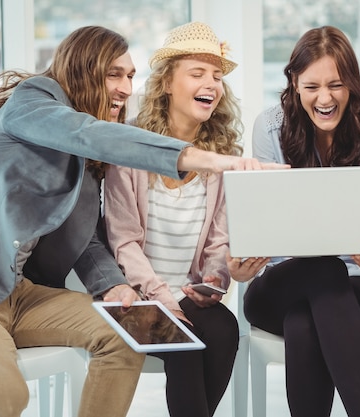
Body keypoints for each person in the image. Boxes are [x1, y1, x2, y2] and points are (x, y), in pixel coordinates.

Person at [0, 25, 266, 417]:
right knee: (3, 401)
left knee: (127, 335)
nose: (127, 88)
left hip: (22, 295)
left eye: (130, 76)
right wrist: (212, 160)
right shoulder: (33, 103)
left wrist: (113, 285)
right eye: (115, 74)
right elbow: (86, 133)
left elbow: (89, 238)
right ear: (82, 69)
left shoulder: (87, 158)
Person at [236, 26, 360, 417]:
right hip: (278, 285)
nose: (325, 99)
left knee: (304, 322)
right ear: (293, 82)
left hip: (354, 289)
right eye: (311, 87)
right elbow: (264, 220)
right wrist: (244, 258)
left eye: (336, 85)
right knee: (322, 269)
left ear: (352, 85)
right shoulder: (270, 126)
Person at [103, 21, 262, 417]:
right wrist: (160, 297)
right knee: (184, 345)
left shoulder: (222, 156)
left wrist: (214, 280)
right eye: (198, 73)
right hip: (136, 297)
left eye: (217, 76)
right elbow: (123, 242)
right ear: (168, 84)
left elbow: (219, 242)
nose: (212, 83)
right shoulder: (131, 150)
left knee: (224, 333)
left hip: (188, 296)